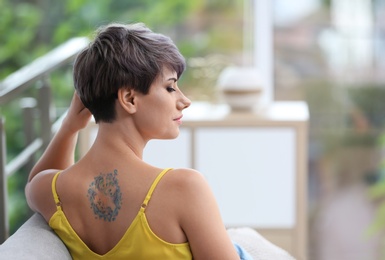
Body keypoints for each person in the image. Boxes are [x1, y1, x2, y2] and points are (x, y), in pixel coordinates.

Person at [25, 22, 252, 259]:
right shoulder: (184, 188)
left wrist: (69, 127)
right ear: (129, 98)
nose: (185, 101)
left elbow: (35, 182)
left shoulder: (54, 192)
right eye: (170, 87)